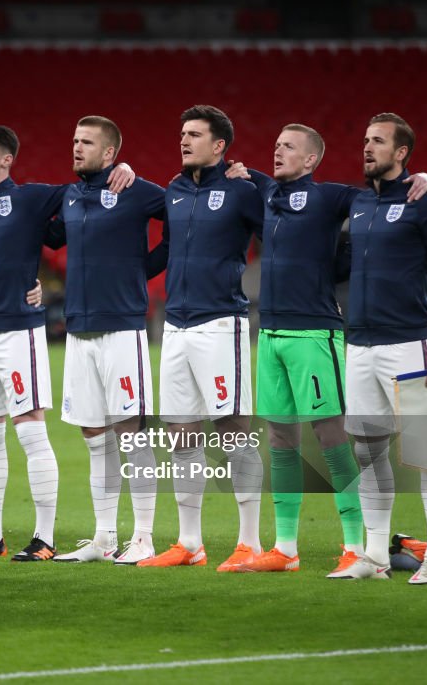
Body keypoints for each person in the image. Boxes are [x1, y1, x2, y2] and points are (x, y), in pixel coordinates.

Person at [230, 125, 427, 575]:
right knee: (281, 440)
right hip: (272, 335)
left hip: (315, 335)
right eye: (276, 143)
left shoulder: (330, 197)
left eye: (288, 146)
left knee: (332, 439)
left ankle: (355, 546)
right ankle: (285, 548)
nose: (277, 150)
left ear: (310, 161)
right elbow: (237, 172)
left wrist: (424, 180)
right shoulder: (265, 192)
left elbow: (384, 193)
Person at [0, 125, 133, 561]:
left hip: (19, 331)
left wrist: (123, 168)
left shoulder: (31, 197)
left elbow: (85, 189)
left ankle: (44, 538)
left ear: (6, 160)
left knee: (31, 434)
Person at [139, 105, 265, 571]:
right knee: (181, 433)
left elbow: (282, 230)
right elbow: (166, 251)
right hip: (175, 326)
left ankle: (249, 541)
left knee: (233, 430)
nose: (184, 140)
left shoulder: (240, 191)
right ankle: (189, 542)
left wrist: (255, 179)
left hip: (220, 324)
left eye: (195, 134)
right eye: (182, 133)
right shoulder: (173, 190)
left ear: (220, 146)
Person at [339, 113, 427, 585]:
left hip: (413, 343)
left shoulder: (425, 203)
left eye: (379, 141)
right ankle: (374, 555)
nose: (368, 148)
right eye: (365, 139)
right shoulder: (357, 204)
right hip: (361, 347)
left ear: (402, 153)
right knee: (367, 451)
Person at [47, 116, 166, 565]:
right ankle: (103, 538)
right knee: (94, 436)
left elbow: (184, 213)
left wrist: (145, 269)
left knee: (130, 435)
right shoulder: (70, 195)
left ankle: (144, 537)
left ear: (110, 152)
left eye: (87, 142)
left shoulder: (134, 190)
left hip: (122, 329)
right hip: (79, 331)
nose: (76, 147)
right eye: (74, 140)